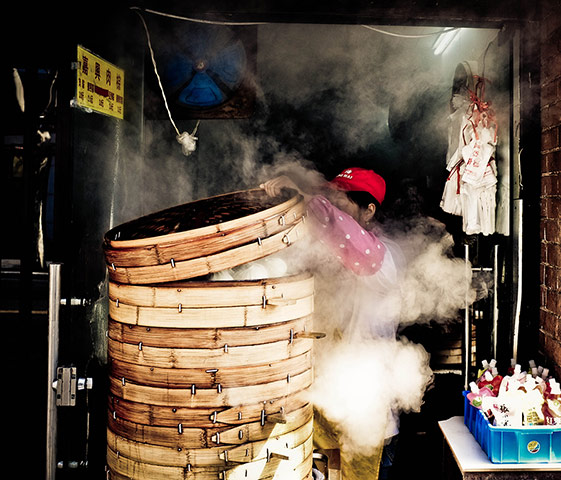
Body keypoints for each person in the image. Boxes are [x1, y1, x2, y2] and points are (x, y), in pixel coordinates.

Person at [261, 167, 403, 479]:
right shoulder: (333, 252)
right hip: (330, 403)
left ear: (369, 211)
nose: (335, 208)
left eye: (343, 203)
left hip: (367, 408)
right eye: (332, 200)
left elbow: (348, 240)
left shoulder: (385, 257)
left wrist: (309, 202)